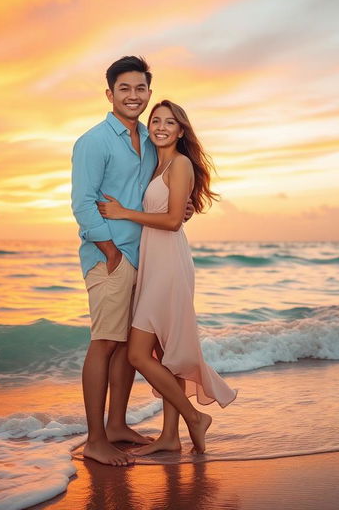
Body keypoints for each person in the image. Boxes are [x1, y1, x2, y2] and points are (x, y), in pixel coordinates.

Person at [71, 56, 193, 466]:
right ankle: (95, 439)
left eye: (140, 88)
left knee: (125, 349)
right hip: (112, 256)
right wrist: (109, 252)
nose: (133, 95)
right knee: (104, 343)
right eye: (124, 88)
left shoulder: (149, 136)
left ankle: (117, 425)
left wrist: (181, 208)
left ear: (149, 93)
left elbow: (156, 192)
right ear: (110, 94)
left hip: (147, 258)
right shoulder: (94, 141)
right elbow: (83, 202)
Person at [98, 100, 237, 455]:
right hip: (155, 262)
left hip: (169, 266)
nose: (160, 126)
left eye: (169, 122)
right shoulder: (157, 164)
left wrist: (124, 212)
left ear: (180, 130)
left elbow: (174, 220)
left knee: (138, 354)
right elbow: (176, 212)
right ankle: (170, 437)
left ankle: (194, 417)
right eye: (155, 120)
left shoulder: (180, 163)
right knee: (167, 351)